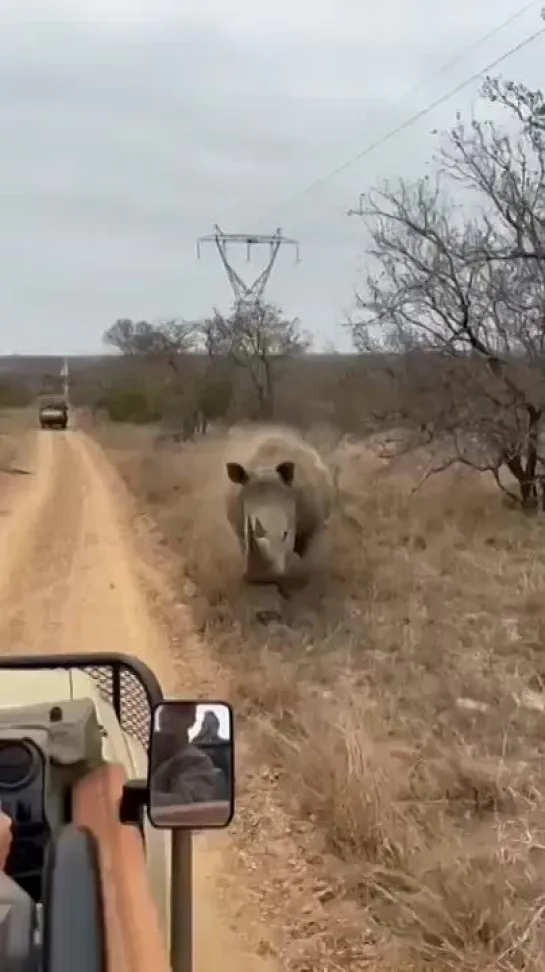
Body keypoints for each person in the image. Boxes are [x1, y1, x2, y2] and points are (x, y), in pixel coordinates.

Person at [151, 704, 224, 808]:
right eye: (165, 711)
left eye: (177, 713)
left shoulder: (196, 760)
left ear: (191, 721)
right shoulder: (147, 749)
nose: (167, 717)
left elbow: (186, 803)